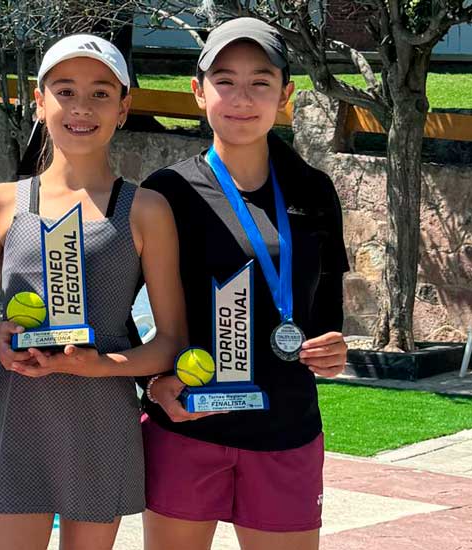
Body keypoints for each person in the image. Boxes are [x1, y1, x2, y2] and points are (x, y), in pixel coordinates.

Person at [0, 34, 187, 550]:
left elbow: (170, 341)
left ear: (124, 107)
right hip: (20, 418)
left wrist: (100, 365)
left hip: (101, 418)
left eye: (101, 93)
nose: (81, 107)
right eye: (64, 90)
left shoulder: (146, 209)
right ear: (39, 102)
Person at [138, 18, 350, 550]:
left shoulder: (313, 189)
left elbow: (324, 315)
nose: (242, 97)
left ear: (285, 95)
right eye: (225, 80)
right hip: (188, 428)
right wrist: (152, 385)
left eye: (261, 81)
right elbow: (123, 310)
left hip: (285, 430)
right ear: (197, 89)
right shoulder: (165, 192)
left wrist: (332, 348)